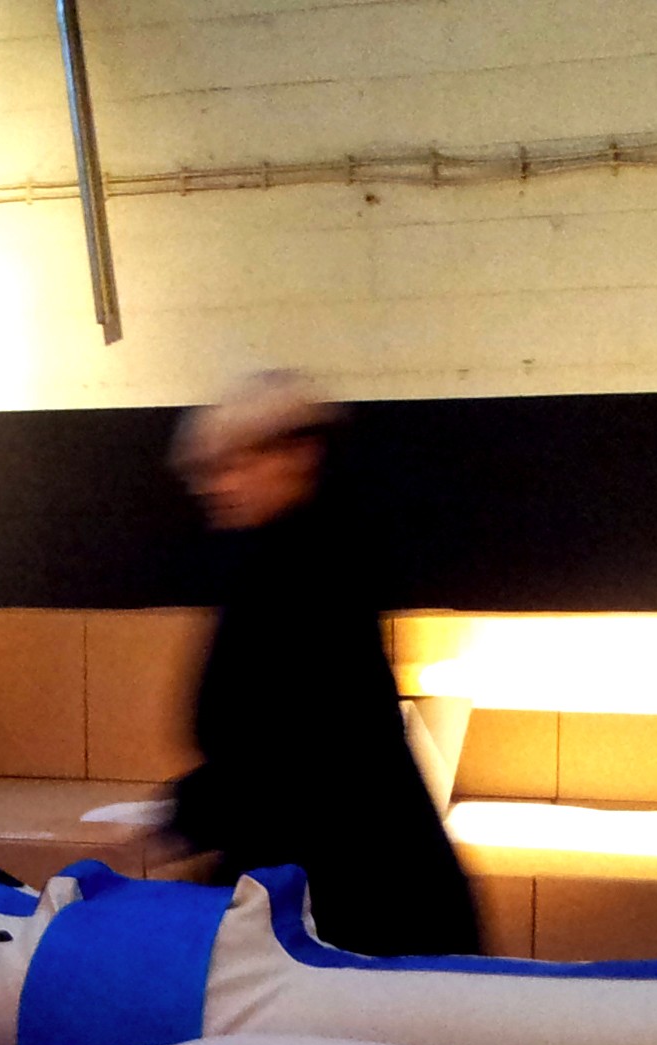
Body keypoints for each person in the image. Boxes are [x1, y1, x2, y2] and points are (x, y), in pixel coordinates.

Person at [167, 372, 480, 958]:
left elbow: (305, 747)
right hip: (334, 887)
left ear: (297, 455)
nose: (214, 486)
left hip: (362, 900)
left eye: (232, 464)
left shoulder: (311, 571)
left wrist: (184, 816)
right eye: (205, 471)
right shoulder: (283, 557)